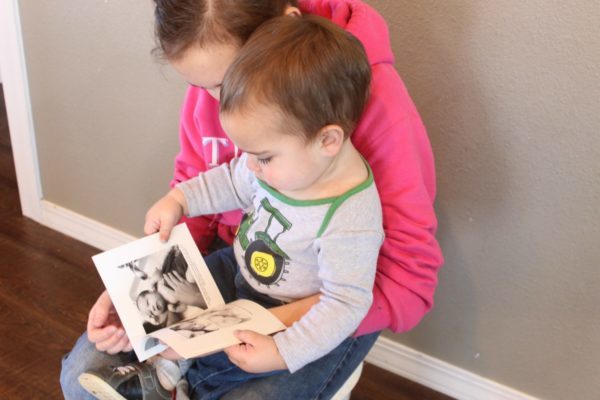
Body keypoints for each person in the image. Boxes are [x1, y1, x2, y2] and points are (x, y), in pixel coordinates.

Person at [60, 0, 444, 398]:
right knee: (82, 378)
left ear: (282, 27)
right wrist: (143, 285)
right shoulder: (220, 105)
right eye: (199, 87)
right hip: (243, 269)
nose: (213, 102)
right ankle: (170, 377)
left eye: (226, 83)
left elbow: (400, 285)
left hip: (328, 302)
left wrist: (277, 328)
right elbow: (216, 184)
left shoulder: (371, 123)